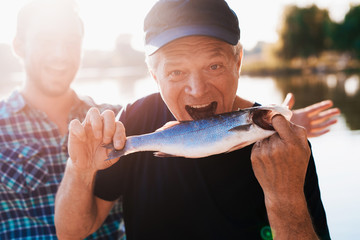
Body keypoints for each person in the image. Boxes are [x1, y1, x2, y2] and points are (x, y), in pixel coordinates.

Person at [55, 0, 336, 239]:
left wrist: (284, 198)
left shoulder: (284, 145)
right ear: (155, 76)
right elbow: (72, 232)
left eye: (214, 66)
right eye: (176, 72)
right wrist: (80, 170)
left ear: (238, 62)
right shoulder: (134, 121)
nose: (197, 89)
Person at [0, 0, 125, 239]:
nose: (61, 54)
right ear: (19, 46)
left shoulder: (115, 119)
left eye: (71, 42)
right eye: (46, 41)